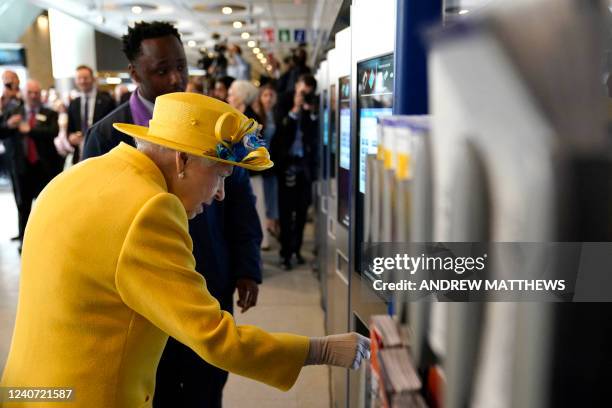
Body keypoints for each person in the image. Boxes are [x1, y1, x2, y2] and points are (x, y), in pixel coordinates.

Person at [0, 92, 370, 407]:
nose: (221, 194)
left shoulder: (79, 176)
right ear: (182, 161)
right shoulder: (151, 210)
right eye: (221, 174)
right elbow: (213, 335)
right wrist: (320, 350)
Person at [82, 21, 262, 407]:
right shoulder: (105, 135)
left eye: (181, 66)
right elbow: (92, 221)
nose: (176, 77)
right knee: (154, 387)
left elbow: (241, 200)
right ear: (135, 72)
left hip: (208, 275)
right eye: (161, 70)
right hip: (140, 296)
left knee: (207, 383)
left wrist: (248, 266)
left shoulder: (217, 123)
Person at [0, 77, 62, 250]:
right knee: (23, 205)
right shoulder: (14, 112)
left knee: (46, 206)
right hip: (21, 167)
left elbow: (53, 132)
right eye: (30, 92)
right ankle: (24, 242)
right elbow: (1, 132)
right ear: (24, 94)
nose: (33, 96)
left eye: (36, 92)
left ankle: (49, 239)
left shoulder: (49, 113)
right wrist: (8, 124)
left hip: (44, 168)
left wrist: (31, 130)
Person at [272, 74, 318, 270]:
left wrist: (310, 112)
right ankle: (285, 253)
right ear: (297, 85)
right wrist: (294, 110)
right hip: (286, 165)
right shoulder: (284, 100)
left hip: (304, 167)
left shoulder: (312, 104)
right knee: (285, 212)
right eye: (302, 91)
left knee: (300, 212)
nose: (304, 95)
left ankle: (296, 250)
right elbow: (280, 130)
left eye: (308, 92)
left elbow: (314, 134)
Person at [228, 80, 271, 250]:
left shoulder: (253, 119)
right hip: (235, 172)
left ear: (241, 96)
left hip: (251, 174)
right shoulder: (231, 116)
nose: (228, 97)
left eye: (232, 93)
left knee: (254, 211)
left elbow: (257, 149)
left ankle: (255, 246)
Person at [66, 65, 115, 163]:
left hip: (102, 154)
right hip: (79, 155)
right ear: (75, 81)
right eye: (79, 78)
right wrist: (71, 137)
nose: (82, 81)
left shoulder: (107, 101)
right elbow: (70, 130)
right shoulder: (74, 103)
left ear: (92, 79)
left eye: (85, 78)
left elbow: (112, 128)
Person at [253, 84, 280, 240]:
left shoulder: (276, 114)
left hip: (273, 161)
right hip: (261, 161)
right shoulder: (257, 115)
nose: (268, 98)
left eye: (271, 95)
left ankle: (272, 223)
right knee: (263, 196)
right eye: (265, 95)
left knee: (272, 193)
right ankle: (266, 228)